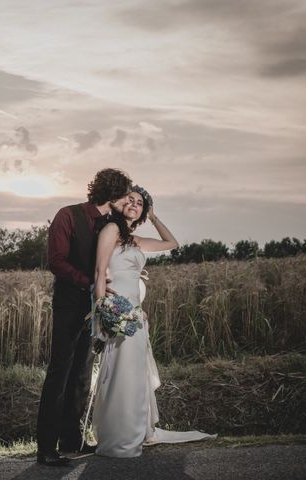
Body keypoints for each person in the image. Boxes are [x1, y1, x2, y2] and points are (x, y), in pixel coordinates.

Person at [91, 185, 216, 458]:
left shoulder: (135, 241)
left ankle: (136, 430)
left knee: (135, 375)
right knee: (119, 374)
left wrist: (155, 216)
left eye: (140, 203)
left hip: (136, 314)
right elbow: (100, 272)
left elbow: (172, 244)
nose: (134, 204)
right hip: (117, 313)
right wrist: (104, 310)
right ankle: (119, 437)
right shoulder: (110, 230)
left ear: (142, 213)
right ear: (122, 203)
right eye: (131, 200)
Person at [36, 168, 132, 467]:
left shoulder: (114, 225)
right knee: (60, 374)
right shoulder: (68, 215)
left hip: (97, 308)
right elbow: (56, 261)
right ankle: (46, 449)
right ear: (113, 194)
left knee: (81, 376)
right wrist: (88, 281)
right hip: (69, 305)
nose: (128, 200)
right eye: (125, 194)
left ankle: (72, 440)